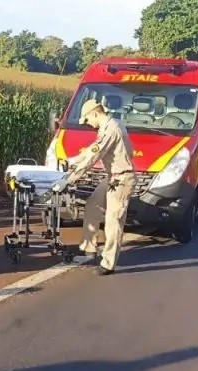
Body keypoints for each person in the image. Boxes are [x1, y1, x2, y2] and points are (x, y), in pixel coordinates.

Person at [52, 99, 136, 276]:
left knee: (113, 221)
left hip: (121, 180)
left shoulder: (111, 130)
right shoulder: (109, 126)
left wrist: (69, 180)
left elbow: (95, 155)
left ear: (96, 113)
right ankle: (88, 247)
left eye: (88, 120)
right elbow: (92, 149)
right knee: (92, 204)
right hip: (112, 177)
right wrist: (73, 160)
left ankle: (108, 263)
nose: (88, 125)